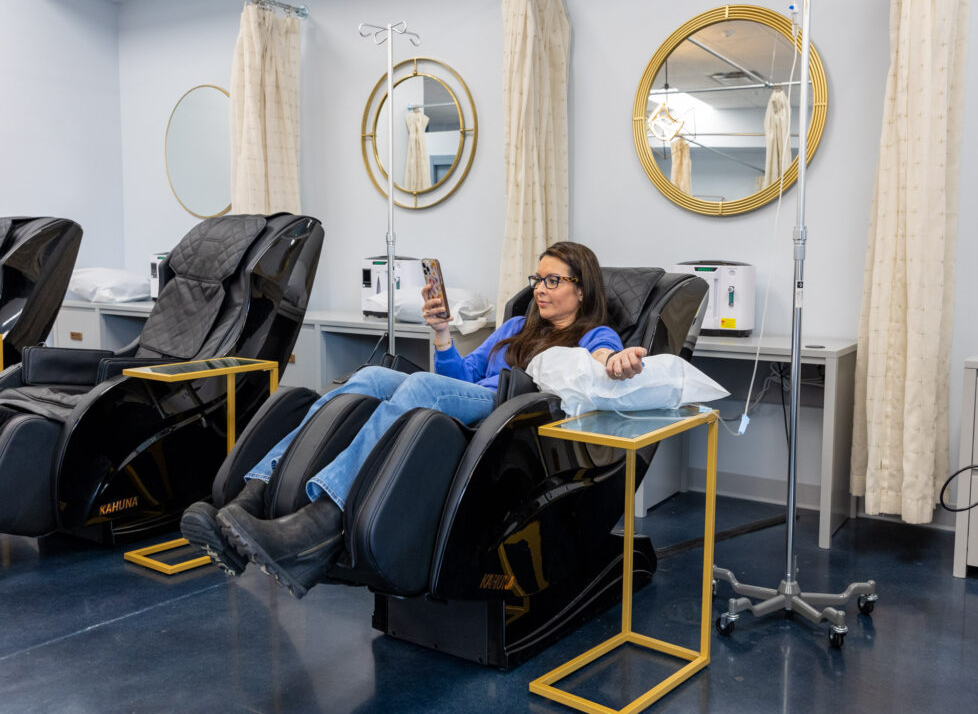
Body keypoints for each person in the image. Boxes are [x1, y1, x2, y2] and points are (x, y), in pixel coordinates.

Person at [181, 241, 647, 597]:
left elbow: (605, 361)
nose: (539, 289)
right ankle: (252, 497)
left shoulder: (593, 333)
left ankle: (322, 521)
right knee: (370, 376)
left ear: (580, 290)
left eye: (553, 281)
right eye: (537, 279)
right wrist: (442, 334)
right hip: (469, 396)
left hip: (507, 415)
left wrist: (618, 361)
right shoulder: (513, 328)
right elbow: (462, 374)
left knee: (419, 387)